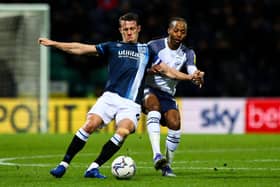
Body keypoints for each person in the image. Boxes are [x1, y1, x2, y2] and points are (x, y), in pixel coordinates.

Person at [38, 12, 199, 179]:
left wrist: (189, 77)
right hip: (110, 98)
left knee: (123, 131)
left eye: (132, 29)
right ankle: (63, 164)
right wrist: (54, 43)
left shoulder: (146, 51)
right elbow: (80, 48)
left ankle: (93, 167)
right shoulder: (112, 47)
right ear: (120, 30)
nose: (129, 32)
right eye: (125, 29)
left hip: (131, 104)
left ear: (138, 29)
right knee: (90, 125)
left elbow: (169, 71)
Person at [143, 17, 204, 177]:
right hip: (148, 88)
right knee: (154, 109)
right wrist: (149, 71)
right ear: (169, 30)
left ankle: (166, 166)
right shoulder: (153, 46)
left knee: (175, 123)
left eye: (182, 32)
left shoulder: (188, 52)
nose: (179, 34)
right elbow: (139, 66)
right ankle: (157, 154)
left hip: (167, 94)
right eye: (176, 30)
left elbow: (192, 68)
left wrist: (196, 75)